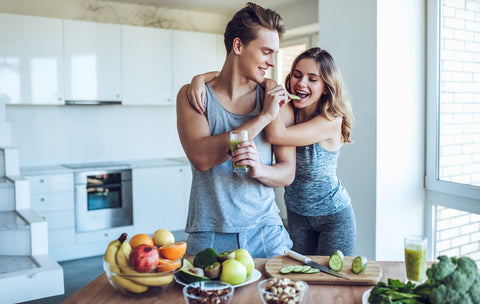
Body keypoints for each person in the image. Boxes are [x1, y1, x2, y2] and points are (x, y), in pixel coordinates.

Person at [188, 47, 356, 256]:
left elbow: (276, 135)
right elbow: (236, 73)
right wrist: (200, 78)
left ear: (325, 87)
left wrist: (269, 86)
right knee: (301, 279)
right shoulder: (289, 110)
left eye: (313, 79)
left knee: (333, 282)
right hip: (296, 214)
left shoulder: (331, 120)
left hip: (332, 216)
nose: (301, 83)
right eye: (297, 74)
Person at [176, 2, 295, 258]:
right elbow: (202, 157)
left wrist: (259, 169)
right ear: (238, 46)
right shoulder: (194, 95)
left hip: (268, 234)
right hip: (210, 235)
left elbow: (287, 173)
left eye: (274, 54)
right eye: (265, 52)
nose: (271, 63)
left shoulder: (274, 98)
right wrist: (263, 117)